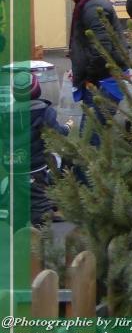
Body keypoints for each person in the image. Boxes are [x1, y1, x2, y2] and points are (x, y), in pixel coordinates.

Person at [59, 0, 129, 133]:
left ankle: (91, 161)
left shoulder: (94, 7)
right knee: (94, 133)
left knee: (91, 135)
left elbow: (102, 48)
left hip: (103, 81)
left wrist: (88, 77)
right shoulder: (88, 3)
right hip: (102, 79)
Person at [27, 72, 72, 225]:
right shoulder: (44, 111)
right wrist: (67, 127)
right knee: (64, 159)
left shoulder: (7, 113)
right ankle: (51, 207)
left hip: (13, 162)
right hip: (36, 164)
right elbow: (56, 134)